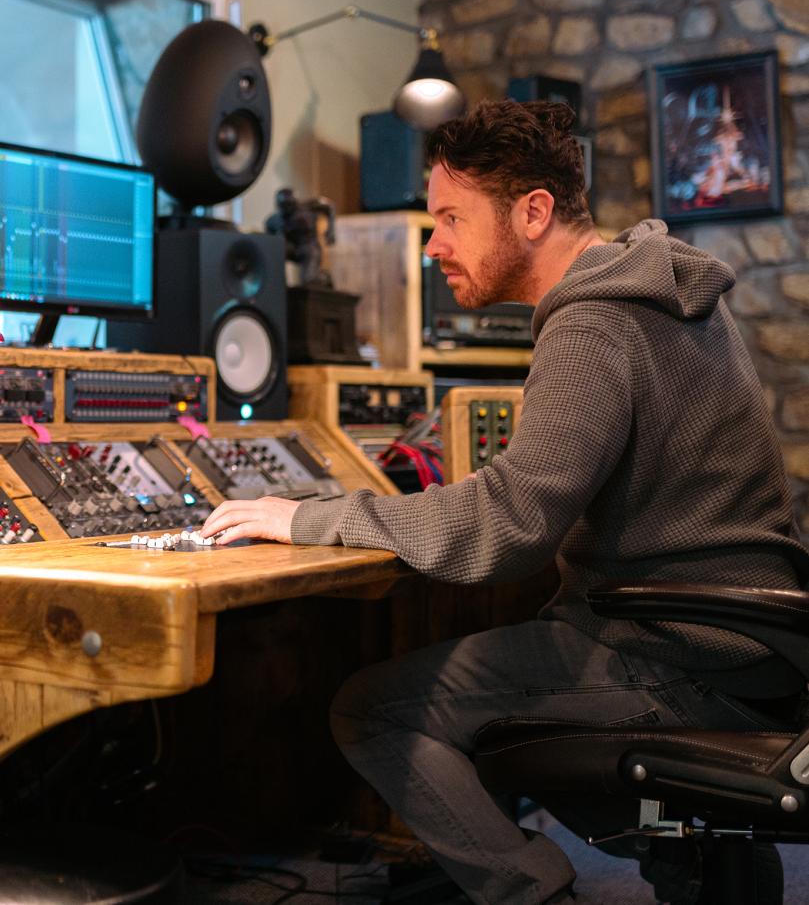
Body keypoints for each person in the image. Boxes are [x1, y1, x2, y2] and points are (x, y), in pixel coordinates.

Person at [202, 99, 806, 905]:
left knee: (376, 710)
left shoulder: (595, 322)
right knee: (520, 671)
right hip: (746, 650)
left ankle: (538, 894)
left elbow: (509, 525)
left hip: (681, 658)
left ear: (532, 212)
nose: (432, 242)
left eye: (450, 216)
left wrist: (308, 515)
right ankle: (691, 867)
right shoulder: (652, 290)